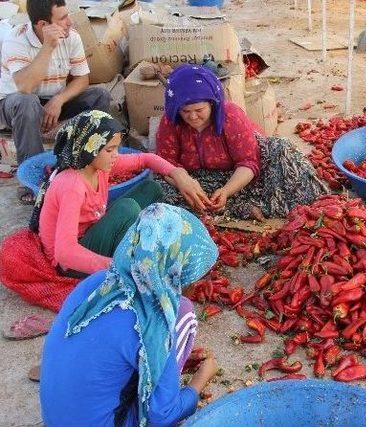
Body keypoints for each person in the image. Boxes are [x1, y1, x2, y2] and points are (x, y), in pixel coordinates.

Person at [40, 203, 219, 426]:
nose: (196, 283)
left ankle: (159, 373)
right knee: (185, 312)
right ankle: (163, 382)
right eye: (195, 275)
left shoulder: (98, 282)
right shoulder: (155, 318)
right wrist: (199, 382)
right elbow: (162, 416)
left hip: (55, 419)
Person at [29, 110, 211, 278]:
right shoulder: (72, 185)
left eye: (116, 148)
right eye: (109, 150)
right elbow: (65, 253)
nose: (115, 155)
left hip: (92, 232)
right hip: (71, 264)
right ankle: (130, 252)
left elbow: (145, 159)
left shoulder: (96, 166)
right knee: (127, 208)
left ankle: (134, 242)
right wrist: (117, 266)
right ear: (88, 149)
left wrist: (178, 174)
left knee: (151, 189)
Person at [156, 65, 327, 220]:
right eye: (185, 111)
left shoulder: (230, 116)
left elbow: (248, 162)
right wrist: (182, 180)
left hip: (240, 173)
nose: (192, 117)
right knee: (158, 190)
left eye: (199, 110)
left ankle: (235, 204)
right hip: (198, 179)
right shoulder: (171, 121)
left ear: (213, 103)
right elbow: (164, 163)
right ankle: (240, 207)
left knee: (282, 151)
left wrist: (227, 191)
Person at [0, 0, 113, 204]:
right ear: (43, 25)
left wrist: (58, 100)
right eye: (62, 19)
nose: (69, 22)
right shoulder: (14, 39)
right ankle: (32, 179)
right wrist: (48, 47)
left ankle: (83, 163)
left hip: (53, 99)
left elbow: (82, 79)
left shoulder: (72, 36)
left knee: (100, 96)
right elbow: (25, 87)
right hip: (15, 103)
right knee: (27, 102)